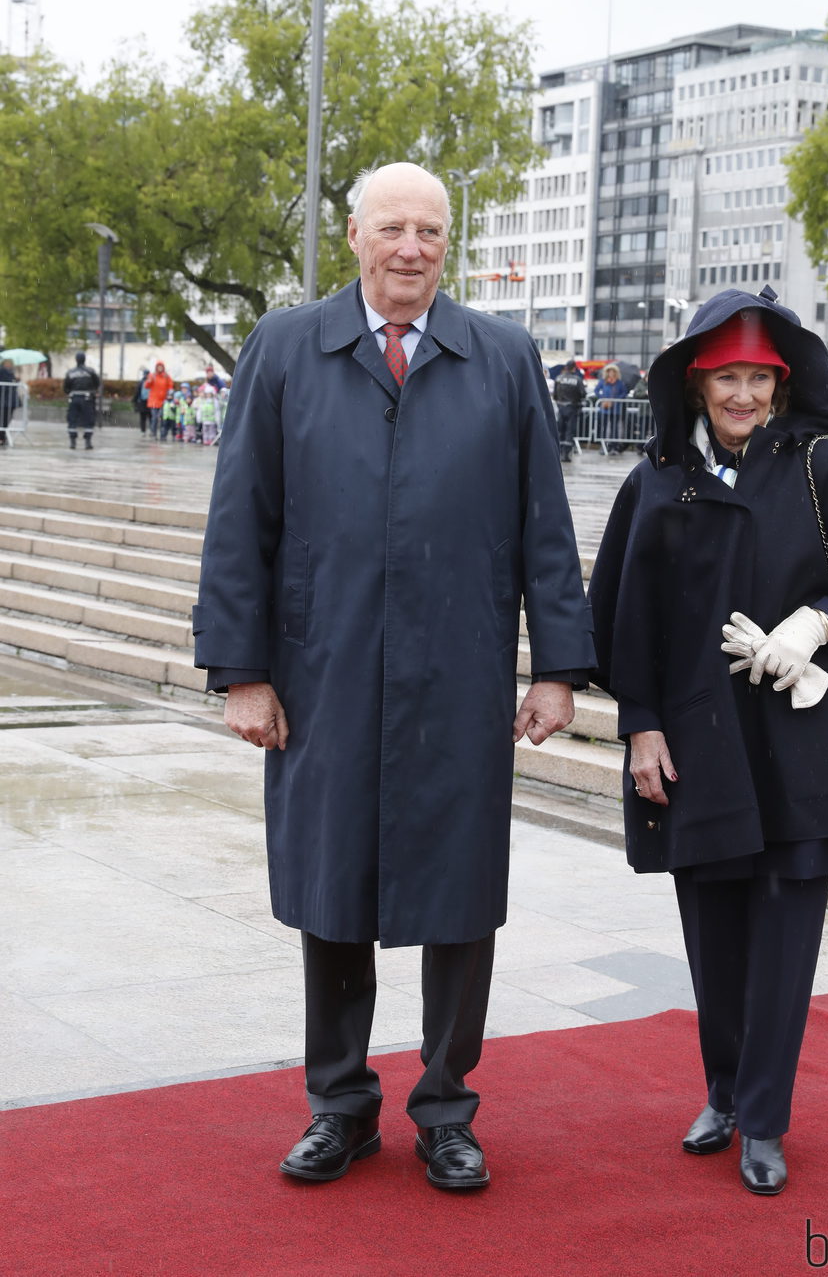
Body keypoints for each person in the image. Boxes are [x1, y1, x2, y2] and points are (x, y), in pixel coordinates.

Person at [193, 162, 594, 1192]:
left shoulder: (501, 357)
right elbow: (241, 521)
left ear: (446, 243)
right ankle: (340, 1106)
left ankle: (447, 1109)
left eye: (427, 231)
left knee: (459, 895)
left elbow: (542, 528)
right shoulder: (284, 347)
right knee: (331, 889)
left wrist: (557, 667)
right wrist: (242, 671)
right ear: (354, 236)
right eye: (390, 228)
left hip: (456, 674)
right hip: (321, 671)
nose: (409, 248)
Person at [588, 286, 828, 1197]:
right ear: (695, 383)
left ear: (780, 383)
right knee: (714, 934)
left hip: (805, 744)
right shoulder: (653, 482)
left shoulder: (824, 469)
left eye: (758, 378)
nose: (742, 395)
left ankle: (765, 1119)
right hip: (697, 745)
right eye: (726, 376)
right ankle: (725, 1092)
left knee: (784, 936)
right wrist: (639, 725)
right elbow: (622, 623)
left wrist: (814, 624)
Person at [63, 351, 100, 451]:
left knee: (72, 420)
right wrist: (93, 391)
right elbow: (97, 383)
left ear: (76, 360)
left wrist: (71, 392)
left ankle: (72, 442)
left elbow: (66, 387)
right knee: (89, 420)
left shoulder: (70, 372)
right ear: (84, 359)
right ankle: (88, 442)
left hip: (74, 398)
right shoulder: (91, 371)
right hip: (87, 399)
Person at [553, 358, 586, 461]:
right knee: (569, 431)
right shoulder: (577, 380)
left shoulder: (558, 378)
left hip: (561, 407)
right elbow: (583, 394)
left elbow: (555, 394)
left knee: (560, 430)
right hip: (572, 407)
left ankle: (559, 452)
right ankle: (566, 454)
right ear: (574, 368)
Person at [594, 362, 628, 453]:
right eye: (609, 371)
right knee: (604, 428)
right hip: (604, 409)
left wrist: (615, 400)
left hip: (615, 409)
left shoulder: (619, 383)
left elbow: (624, 393)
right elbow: (596, 390)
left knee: (615, 429)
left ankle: (614, 446)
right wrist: (602, 399)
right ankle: (604, 446)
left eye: (613, 371)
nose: (611, 373)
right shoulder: (603, 381)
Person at [144, 361, 172, 438]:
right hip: (154, 400)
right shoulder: (152, 375)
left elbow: (170, 386)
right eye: (158, 366)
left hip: (163, 400)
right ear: (156, 367)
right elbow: (146, 386)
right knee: (155, 417)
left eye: (161, 366)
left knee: (163, 417)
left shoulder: (166, 376)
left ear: (163, 368)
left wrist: (170, 394)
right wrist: (149, 381)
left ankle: (163, 433)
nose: (160, 368)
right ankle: (153, 432)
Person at [0, 358, 17, 446]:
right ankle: (2, 437)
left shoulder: (5, 371)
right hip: (7, 401)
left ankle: (2, 438)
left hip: (6, 401)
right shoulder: (7, 371)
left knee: (4, 420)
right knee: (4, 421)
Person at [132, 367, 151, 434]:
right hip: (147, 402)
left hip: (145, 402)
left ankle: (145, 430)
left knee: (145, 417)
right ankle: (148, 430)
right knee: (148, 417)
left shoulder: (141, 382)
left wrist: (134, 400)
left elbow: (137, 392)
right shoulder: (146, 382)